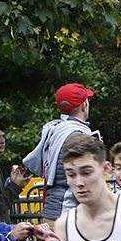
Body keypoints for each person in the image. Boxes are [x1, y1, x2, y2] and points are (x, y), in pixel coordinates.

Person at [23, 83, 94, 223]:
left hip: (52, 211)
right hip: (67, 216)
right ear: (84, 106)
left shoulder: (55, 131)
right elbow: (83, 178)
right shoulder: (77, 137)